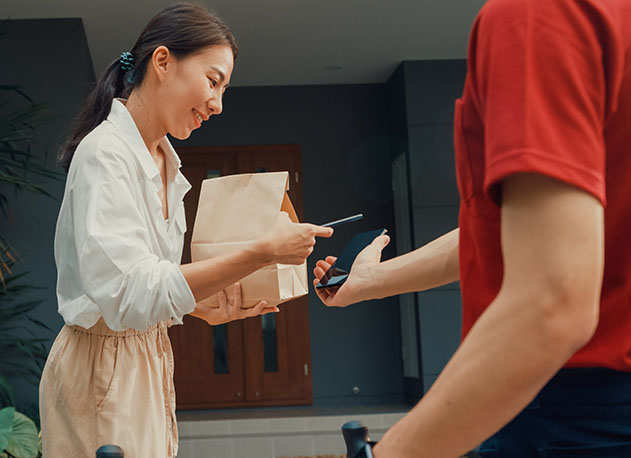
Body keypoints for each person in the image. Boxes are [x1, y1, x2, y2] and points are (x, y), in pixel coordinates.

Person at [314, 0, 631, 456]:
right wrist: (373, 280)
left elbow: (550, 305)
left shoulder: (539, 15)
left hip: (568, 414)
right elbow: (533, 233)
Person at [39, 3, 333, 457]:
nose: (218, 104)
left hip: (145, 359)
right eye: (213, 81)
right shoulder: (105, 154)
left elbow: (146, 285)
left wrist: (201, 307)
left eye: (224, 88)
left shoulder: (166, 163)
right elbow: (126, 293)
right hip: (100, 369)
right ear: (162, 62)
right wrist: (261, 252)